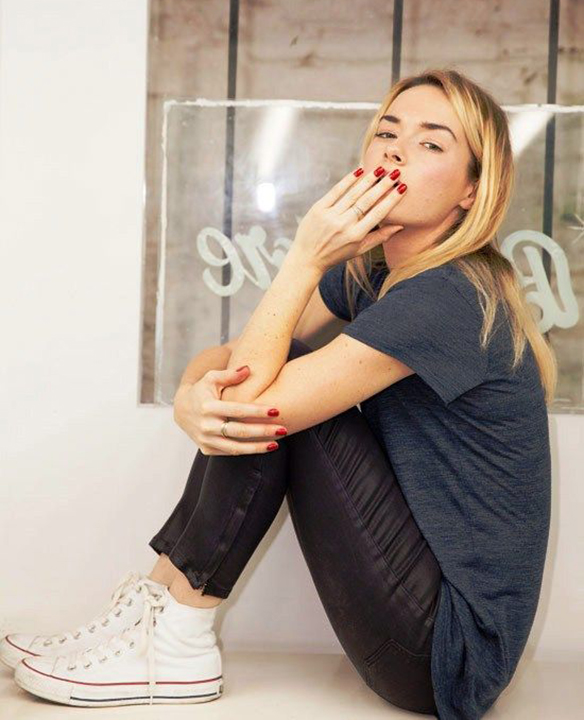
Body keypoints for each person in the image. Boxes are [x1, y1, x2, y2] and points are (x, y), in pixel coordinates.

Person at [2, 69, 555, 719]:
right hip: (418, 628)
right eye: (387, 132)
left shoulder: (448, 294)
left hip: (446, 656)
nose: (396, 152)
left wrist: (305, 259)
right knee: (268, 375)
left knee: (275, 393)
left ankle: (177, 637)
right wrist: (190, 395)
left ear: (471, 190)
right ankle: (157, 615)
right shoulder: (379, 274)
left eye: (431, 143)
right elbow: (237, 354)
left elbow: (254, 393)